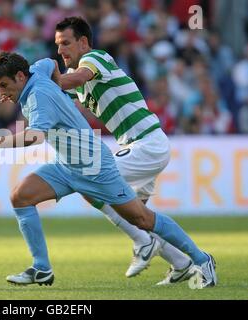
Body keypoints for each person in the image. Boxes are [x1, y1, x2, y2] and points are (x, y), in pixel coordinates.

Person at [0, 52, 217, 289]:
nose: (2, 94)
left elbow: (35, 137)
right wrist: (59, 90)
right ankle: (41, 268)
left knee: (142, 219)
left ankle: (201, 259)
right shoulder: (36, 72)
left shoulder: (38, 96)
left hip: (95, 167)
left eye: (4, 86)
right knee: (20, 196)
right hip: (67, 166)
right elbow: (51, 63)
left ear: (20, 77)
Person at [54, 16, 193, 284]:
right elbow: (56, 95)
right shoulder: (72, 77)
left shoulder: (95, 59)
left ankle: (144, 244)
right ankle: (183, 262)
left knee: (88, 178)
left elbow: (75, 80)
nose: (60, 51)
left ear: (83, 43)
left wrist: (43, 75)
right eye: (57, 45)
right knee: (138, 217)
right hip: (141, 145)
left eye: (66, 43)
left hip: (146, 143)